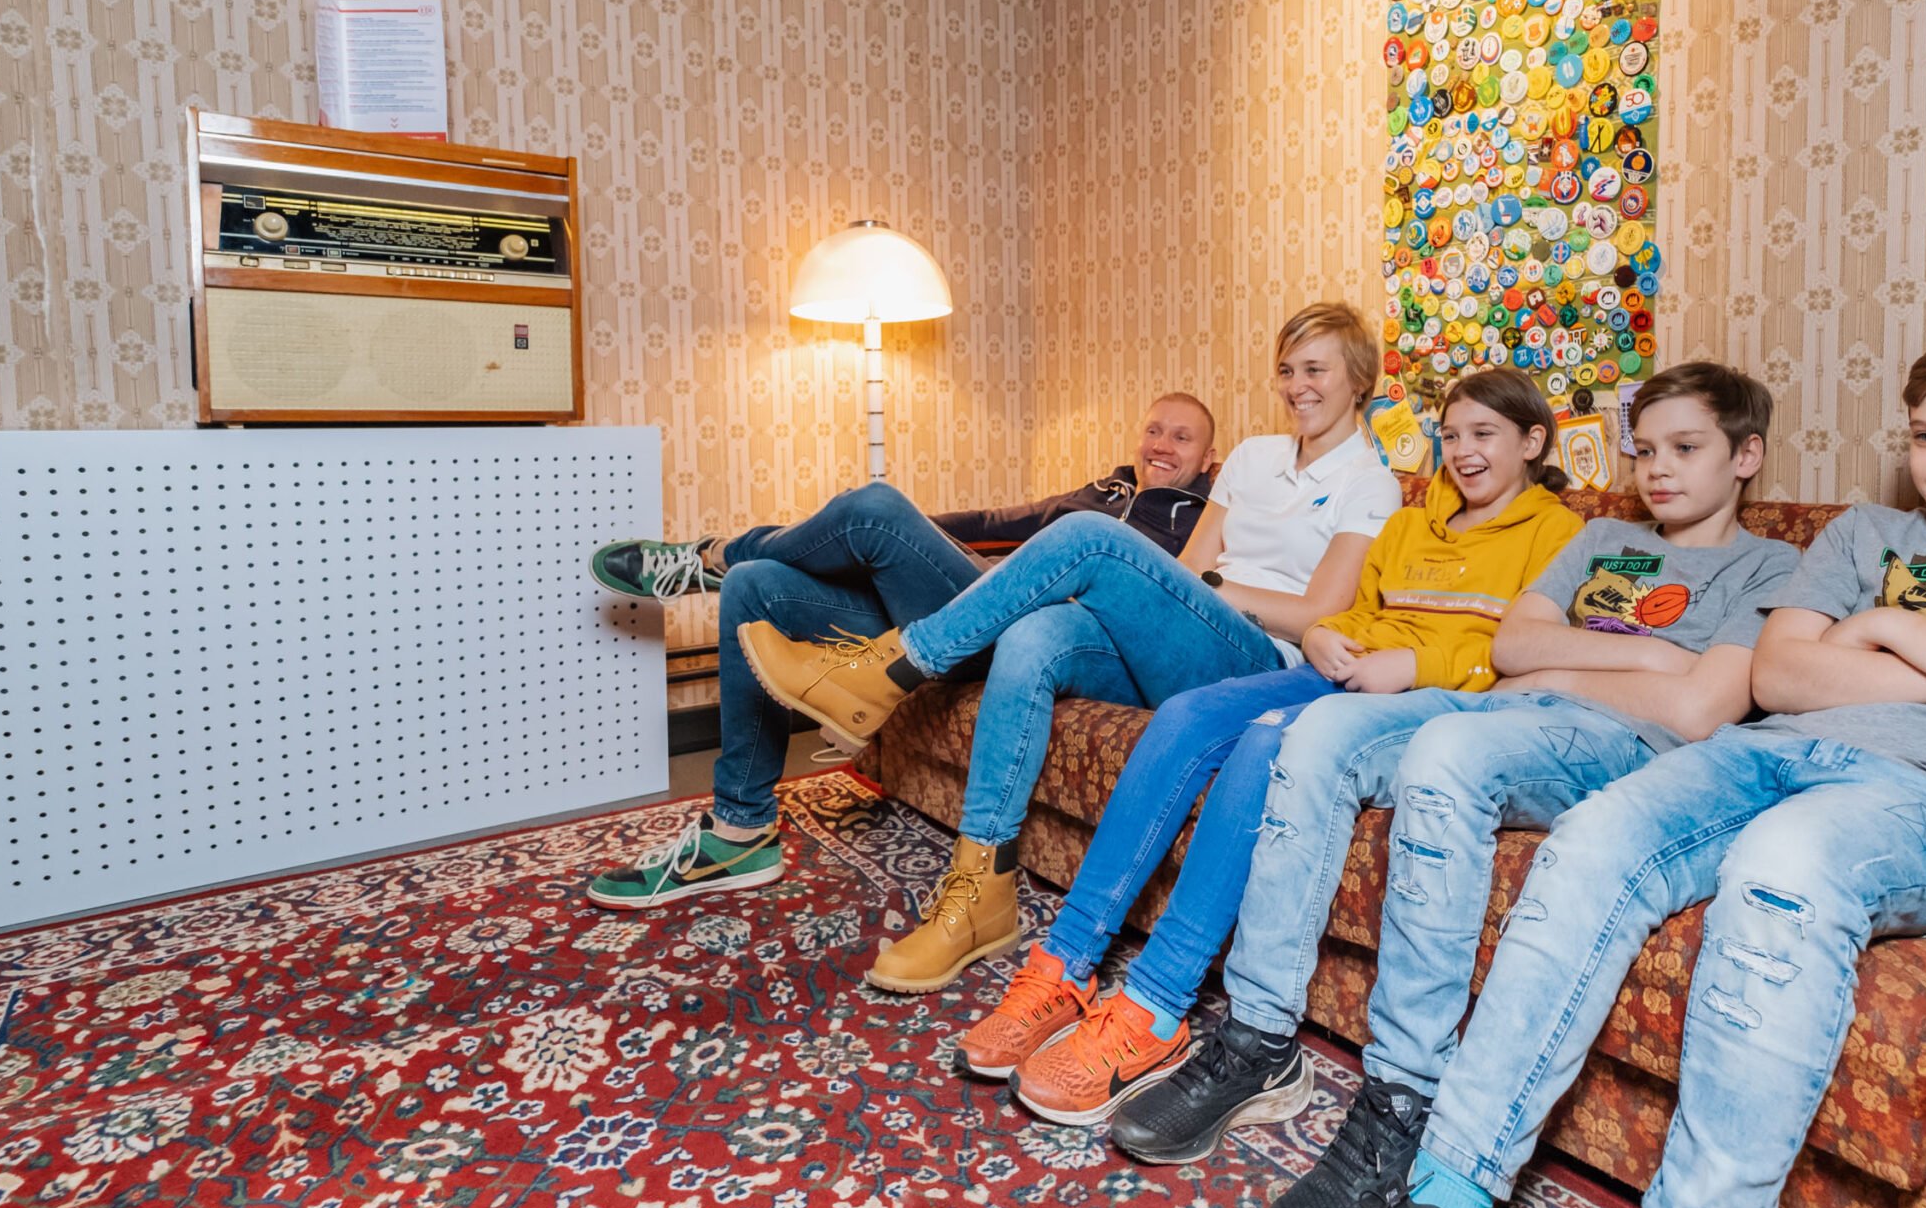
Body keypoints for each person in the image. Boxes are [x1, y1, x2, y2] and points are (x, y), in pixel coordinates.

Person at [1273, 323, 1926, 1208]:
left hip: (1910, 790)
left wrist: (1880, 627)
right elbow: (1780, 675)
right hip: (1761, 752)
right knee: (1591, 840)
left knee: (1782, 866)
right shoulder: (1862, 536)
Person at [1105, 363, 1796, 1208]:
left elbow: (1703, 707)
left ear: (1745, 456)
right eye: (1648, 449)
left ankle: (1402, 1092)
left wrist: (1574, 669)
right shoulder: (1603, 537)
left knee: (1444, 759)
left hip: (1621, 743)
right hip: (1514, 706)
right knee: (1315, 732)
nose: (1658, 468)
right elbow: (1514, 644)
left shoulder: (1771, 564)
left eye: (1687, 448)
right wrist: (1656, 655)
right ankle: (1259, 1033)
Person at [961, 367, 1585, 1127]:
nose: (1463, 451)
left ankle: (1156, 1004)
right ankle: (1064, 962)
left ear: (1533, 441)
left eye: (1484, 434)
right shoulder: (1411, 521)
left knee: (1265, 744)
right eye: (1451, 435)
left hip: (1427, 697)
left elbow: (1525, 649)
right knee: (1185, 715)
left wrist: (1416, 664)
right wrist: (1323, 635)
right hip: (1342, 669)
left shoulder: (1559, 534)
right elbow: (1353, 610)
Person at [744, 303, 1402, 994]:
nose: (1297, 386)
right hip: (1188, 633)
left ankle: (890, 668)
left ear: (1358, 378)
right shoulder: (1253, 458)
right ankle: (981, 887)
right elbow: (1189, 567)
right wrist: (1198, 587)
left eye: (1315, 370)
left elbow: (1318, 612)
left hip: (1262, 661)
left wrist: (1214, 589)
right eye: (1287, 370)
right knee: (1034, 633)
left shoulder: (1370, 483)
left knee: (1091, 535)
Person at [580, 394, 1218, 910]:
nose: (1162, 445)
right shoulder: (1102, 493)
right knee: (757, 586)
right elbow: (992, 523)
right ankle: (740, 831)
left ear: (1210, 458)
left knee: (874, 507)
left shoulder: (1204, 521)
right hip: (976, 595)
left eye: (1182, 437)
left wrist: (883, 527)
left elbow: (1177, 609)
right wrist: (905, 537)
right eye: (1154, 430)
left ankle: (712, 555)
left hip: (1035, 636)